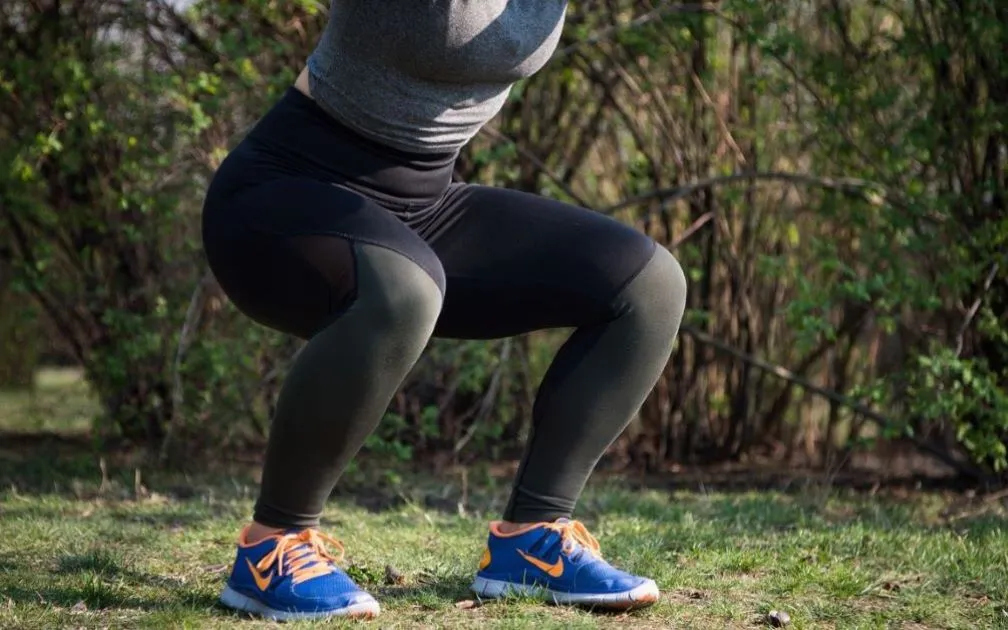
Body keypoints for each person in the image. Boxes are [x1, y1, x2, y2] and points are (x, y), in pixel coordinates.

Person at [200, 0, 687, 621]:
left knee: (648, 287)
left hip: (426, 206)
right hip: (280, 196)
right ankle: (272, 548)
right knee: (405, 290)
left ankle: (532, 542)